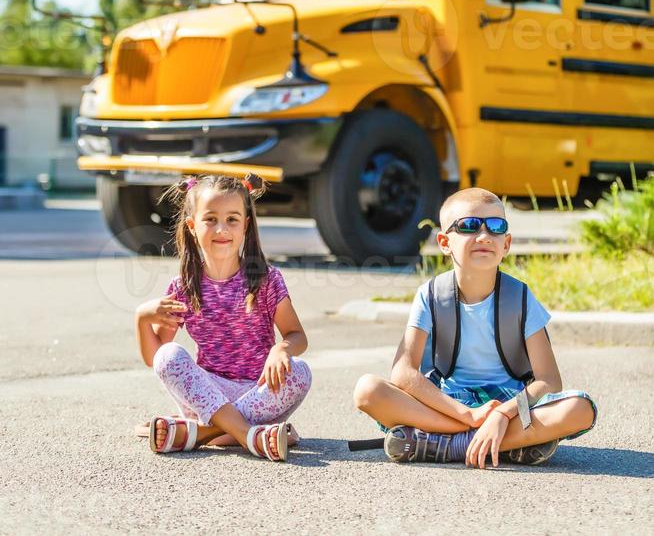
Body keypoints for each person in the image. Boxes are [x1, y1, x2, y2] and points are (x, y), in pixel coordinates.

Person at [353, 187, 597, 468]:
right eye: (468, 226)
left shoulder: (520, 297)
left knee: (580, 408)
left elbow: (549, 381)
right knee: (367, 390)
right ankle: (504, 444)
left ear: (506, 244)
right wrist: (468, 416)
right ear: (445, 242)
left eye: (496, 227)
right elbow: (403, 372)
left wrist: (502, 415)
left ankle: (442, 443)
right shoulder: (430, 295)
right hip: (448, 403)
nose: (484, 236)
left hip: (508, 404)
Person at [135, 173, 312, 462]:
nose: (221, 229)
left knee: (301, 371)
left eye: (232, 219)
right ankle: (250, 435)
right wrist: (141, 317)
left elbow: (297, 336)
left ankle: (204, 433)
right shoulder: (183, 285)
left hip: (258, 395)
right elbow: (155, 358)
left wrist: (282, 349)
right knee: (170, 355)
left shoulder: (266, 279)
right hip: (206, 395)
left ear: (246, 225)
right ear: (192, 226)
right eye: (210, 219)